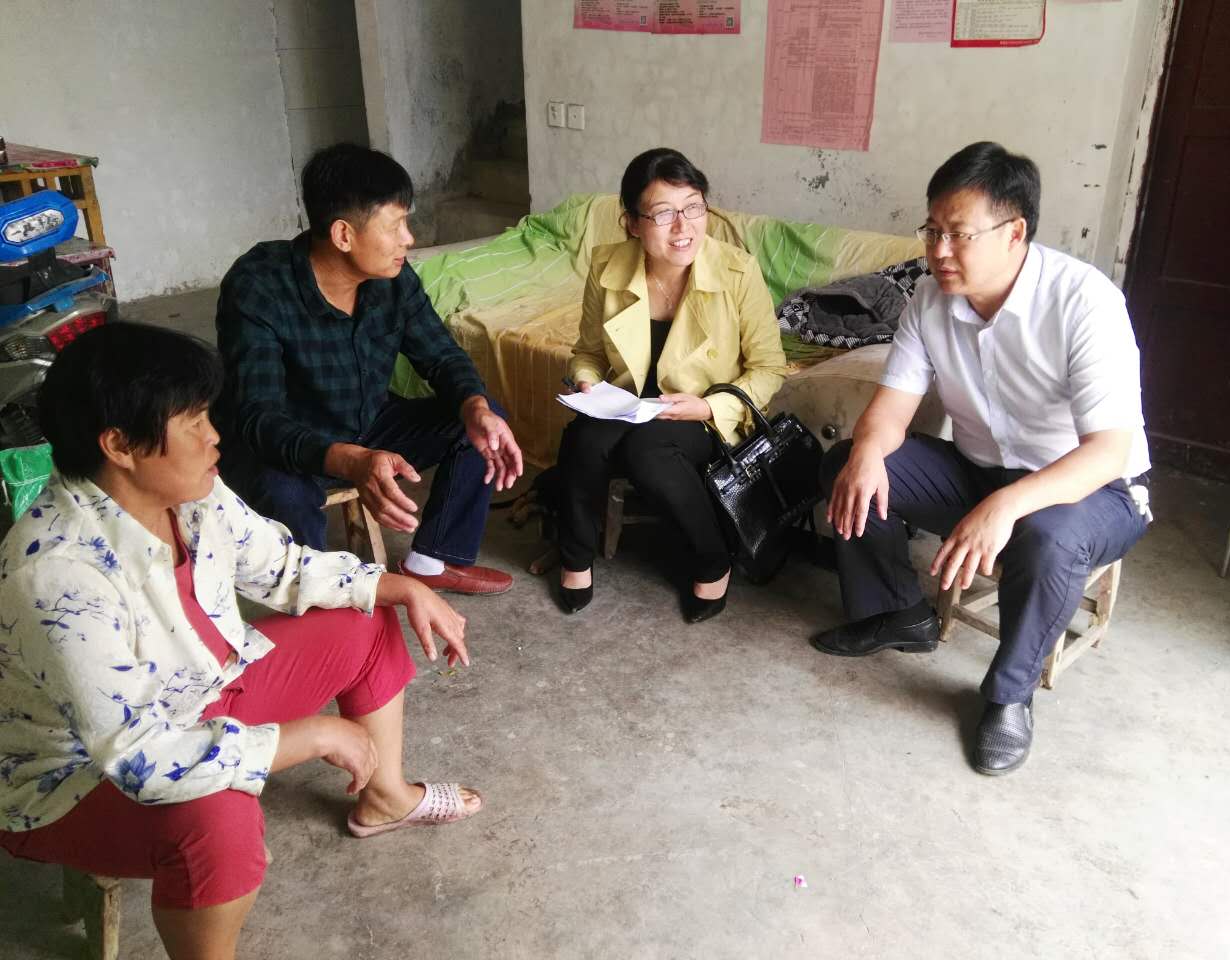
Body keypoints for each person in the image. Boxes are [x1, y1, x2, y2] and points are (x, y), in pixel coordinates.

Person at [0, 323, 483, 959]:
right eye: (193, 422)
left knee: (364, 618)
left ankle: (386, 799)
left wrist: (399, 585)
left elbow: (281, 567)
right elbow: (141, 756)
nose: (214, 437)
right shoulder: (56, 573)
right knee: (219, 823)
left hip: (204, 689)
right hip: (79, 779)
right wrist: (310, 735)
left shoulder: (189, 493)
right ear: (119, 445)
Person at [813, 142, 1152, 775]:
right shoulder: (928, 301)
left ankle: (1008, 695)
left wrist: (1007, 505)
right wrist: (867, 450)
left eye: (958, 234)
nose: (938, 250)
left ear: (1014, 232)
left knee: (1048, 538)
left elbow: (1110, 451)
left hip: (1092, 490)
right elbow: (890, 412)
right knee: (848, 467)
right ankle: (898, 612)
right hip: (977, 471)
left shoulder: (1084, 301)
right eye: (931, 231)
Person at [215, 143, 522, 596]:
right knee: (287, 496)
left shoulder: (393, 280)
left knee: (480, 421)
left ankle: (430, 562)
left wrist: (475, 406)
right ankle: (320, 601)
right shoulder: (259, 285)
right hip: (283, 445)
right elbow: (259, 417)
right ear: (343, 234)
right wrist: (350, 459)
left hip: (366, 422)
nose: (408, 239)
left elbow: (441, 357)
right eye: (395, 226)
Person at [557, 148, 787, 622]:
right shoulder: (607, 266)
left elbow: (769, 368)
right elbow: (588, 352)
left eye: (694, 207)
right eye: (663, 213)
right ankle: (575, 557)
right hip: (629, 403)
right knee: (583, 437)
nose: (683, 227)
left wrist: (708, 407)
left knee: (650, 450)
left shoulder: (738, 271)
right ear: (632, 223)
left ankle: (713, 559)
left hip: (706, 414)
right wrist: (586, 381)